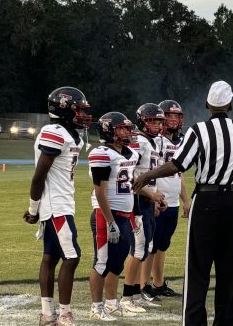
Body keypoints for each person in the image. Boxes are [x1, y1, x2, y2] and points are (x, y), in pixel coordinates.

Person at [133, 80, 233, 326]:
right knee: (230, 269)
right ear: (230, 105)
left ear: (207, 104)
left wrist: (148, 174)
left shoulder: (198, 130)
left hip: (207, 200)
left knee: (198, 269)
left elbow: (178, 165)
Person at [22, 86, 92, 326]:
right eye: (78, 110)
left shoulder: (71, 134)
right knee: (72, 257)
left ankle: (47, 314)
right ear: (64, 110)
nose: (82, 115)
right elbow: (38, 176)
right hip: (56, 206)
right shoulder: (54, 131)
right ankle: (63, 314)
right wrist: (33, 209)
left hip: (62, 203)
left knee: (51, 257)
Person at [87, 111, 140, 321]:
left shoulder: (130, 153)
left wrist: (140, 209)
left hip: (124, 214)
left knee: (117, 262)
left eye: (128, 127)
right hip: (106, 214)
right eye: (122, 128)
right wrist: (110, 222)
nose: (127, 131)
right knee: (102, 262)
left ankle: (111, 303)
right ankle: (96, 307)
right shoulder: (101, 153)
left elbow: (130, 184)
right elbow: (100, 192)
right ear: (109, 130)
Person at [141, 100, 191, 301]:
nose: (173, 120)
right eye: (169, 116)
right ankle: (143, 285)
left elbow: (180, 174)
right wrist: (152, 197)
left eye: (177, 116)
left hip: (172, 201)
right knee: (150, 245)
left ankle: (158, 283)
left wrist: (185, 200)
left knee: (163, 245)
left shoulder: (180, 142)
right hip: (157, 200)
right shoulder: (154, 141)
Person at [122, 103, 167, 312]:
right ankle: (127, 296)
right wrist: (151, 195)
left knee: (146, 247)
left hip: (146, 201)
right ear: (142, 121)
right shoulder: (138, 142)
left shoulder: (152, 142)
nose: (157, 125)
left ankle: (135, 293)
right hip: (137, 201)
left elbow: (148, 175)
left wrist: (155, 197)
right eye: (152, 121)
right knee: (138, 248)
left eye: (159, 121)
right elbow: (130, 176)